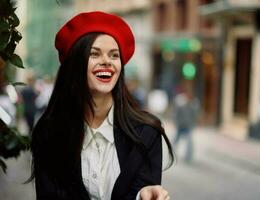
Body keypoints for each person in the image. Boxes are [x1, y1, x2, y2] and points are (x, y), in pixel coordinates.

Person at [29, 11, 174, 200]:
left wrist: (142, 195)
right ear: (75, 64)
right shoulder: (48, 134)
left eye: (114, 55)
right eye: (94, 54)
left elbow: (144, 187)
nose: (107, 61)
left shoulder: (147, 132)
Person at [172, 81, 200, 162]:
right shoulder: (180, 100)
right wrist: (176, 122)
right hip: (180, 125)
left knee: (189, 141)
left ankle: (189, 156)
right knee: (176, 139)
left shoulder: (194, 102)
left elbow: (195, 114)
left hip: (188, 125)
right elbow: (176, 112)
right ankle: (172, 152)